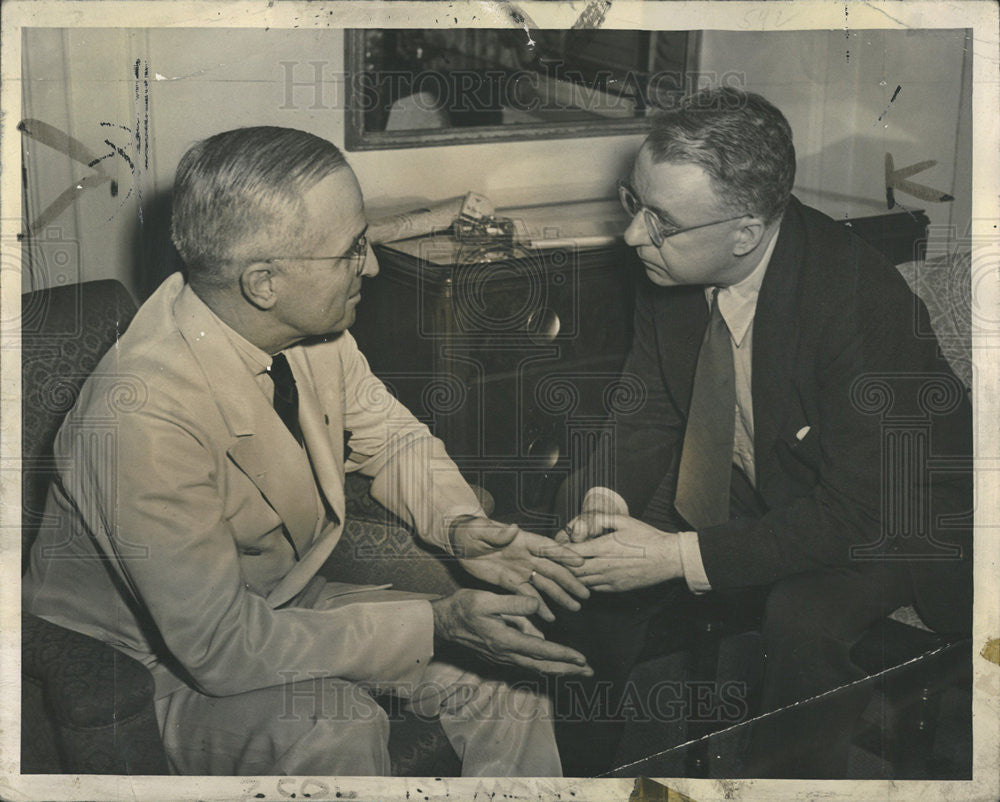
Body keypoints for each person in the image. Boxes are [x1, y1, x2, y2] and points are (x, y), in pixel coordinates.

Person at [21, 125, 595, 777]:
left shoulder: (305, 332)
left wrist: (462, 527)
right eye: (352, 251)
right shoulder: (141, 417)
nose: (372, 266)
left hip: (280, 607)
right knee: (333, 724)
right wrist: (436, 623)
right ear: (265, 281)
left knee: (506, 682)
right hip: (149, 674)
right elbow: (220, 648)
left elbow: (393, 440)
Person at [555, 87, 972, 777]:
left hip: (909, 511)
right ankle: (574, 777)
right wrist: (605, 499)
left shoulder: (854, 298)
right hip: (773, 483)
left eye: (660, 221)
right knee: (582, 566)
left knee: (801, 617)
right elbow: (647, 408)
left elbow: (858, 510)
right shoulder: (676, 262)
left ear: (745, 232)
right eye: (636, 203)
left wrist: (674, 557)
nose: (633, 236)